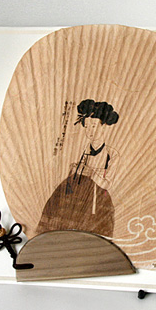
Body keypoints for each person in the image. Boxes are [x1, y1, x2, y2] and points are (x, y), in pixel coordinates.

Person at [36, 99, 119, 237]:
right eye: (87, 126)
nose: (90, 131)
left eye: (94, 126)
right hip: (73, 198)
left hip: (98, 201)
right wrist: (74, 170)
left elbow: (107, 184)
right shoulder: (81, 149)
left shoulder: (111, 154)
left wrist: (90, 173)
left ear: (103, 126)